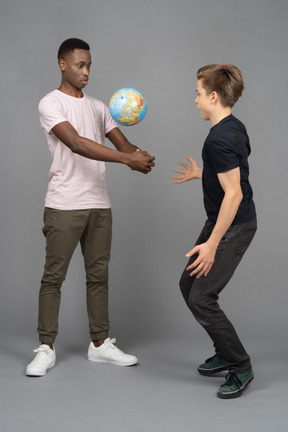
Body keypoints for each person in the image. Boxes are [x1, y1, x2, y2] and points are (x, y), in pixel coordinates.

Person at [26, 38, 155, 377]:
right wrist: (126, 158)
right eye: (80, 65)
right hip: (64, 203)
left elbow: (123, 145)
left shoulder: (99, 107)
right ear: (62, 64)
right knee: (53, 277)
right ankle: (45, 348)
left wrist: (138, 156)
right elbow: (77, 143)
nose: (86, 72)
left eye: (89, 66)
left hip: (99, 203)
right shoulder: (49, 103)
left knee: (98, 277)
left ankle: (99, 345)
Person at [172, 64, 257, 399]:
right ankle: (224, 349)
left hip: (235, 226)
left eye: (197, 93)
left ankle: (240, 365)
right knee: (188, 284)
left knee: (201, 297)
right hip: (225, 221)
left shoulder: (219, 138)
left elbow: (234, 194)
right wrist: (203, 174)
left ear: (213, 96)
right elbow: (231, 174)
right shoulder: (233, 128)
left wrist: (212, 243)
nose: (194, 100)